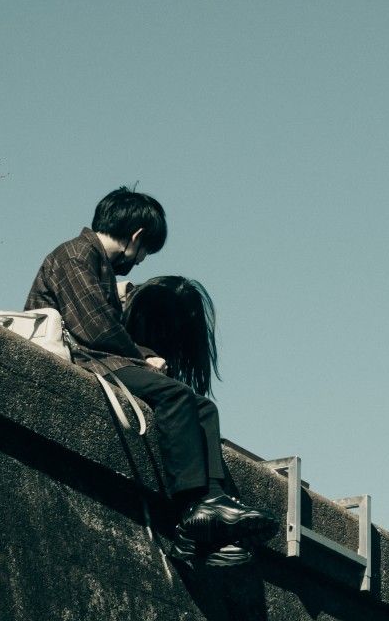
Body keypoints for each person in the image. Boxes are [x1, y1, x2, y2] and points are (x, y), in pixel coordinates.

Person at [25, 188, 275, 551]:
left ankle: (215, 499)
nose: (141, 261)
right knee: (174, 394)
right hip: (86, 358)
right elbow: (96, 329)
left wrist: (141, 357)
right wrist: (144, 359)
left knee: (202, 406)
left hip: (100, 356)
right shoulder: (76, 255)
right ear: (138, 236)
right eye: (145, 251)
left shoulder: (93, 261)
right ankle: (192, 505)